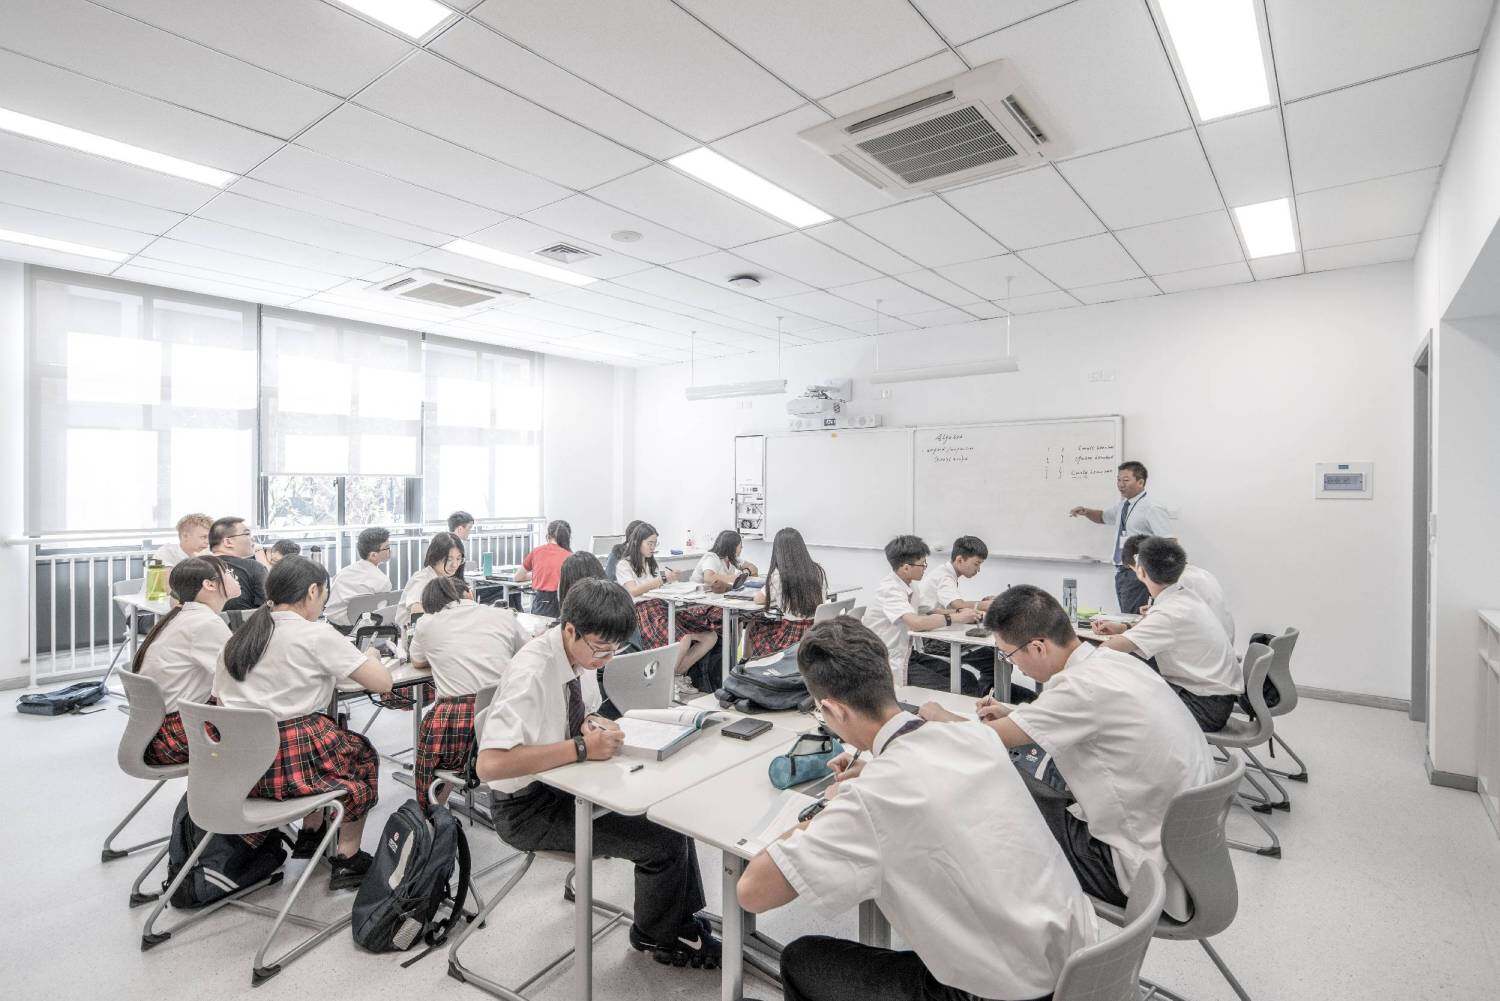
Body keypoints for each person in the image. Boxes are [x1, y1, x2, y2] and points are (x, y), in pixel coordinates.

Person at [737, 617, 1098, 1001]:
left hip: (1006, 993)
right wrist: (873, 772)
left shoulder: (871, 799)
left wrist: (833, 806)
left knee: (802, 958)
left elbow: (752, 892)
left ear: (833, 710)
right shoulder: (971, 736)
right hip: (1080, 965)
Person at [918, 585, 1215, 922]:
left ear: (1037, 647)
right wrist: (1018, 716)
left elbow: (984, 741)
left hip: (1134, 870)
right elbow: (1070, 718)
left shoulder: (1077, 688)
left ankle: (989, 914)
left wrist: (939, 716)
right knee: (1031, 771)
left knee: (997, 779)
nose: (1012, 666)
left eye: (1008, 655)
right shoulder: (1113, 662)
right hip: (1185, 858)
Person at [475, 579, 722, 970]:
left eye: (615, 650)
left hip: (561, 783)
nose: (605, 659)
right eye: (601, 650)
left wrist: (592, 726)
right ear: (569, 628)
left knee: (670, 817)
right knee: (661, 841)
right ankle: (662, 935)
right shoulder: (532, 671)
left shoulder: (578, 656)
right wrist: (581, 748)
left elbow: (578, 714)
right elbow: (489, 764)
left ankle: (677, 921)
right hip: (525, 809)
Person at [213, 556, 393, 887]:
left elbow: (221, 696)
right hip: (287, 768)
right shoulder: (316, 635)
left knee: (327, 747)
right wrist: (369, 656)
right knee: (359, 754)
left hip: (235, 768)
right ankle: (347, 857)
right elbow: (382, 683)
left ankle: (312, 832)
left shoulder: (238, 638)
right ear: (313, 591)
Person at [1093, 537, 1242, 732]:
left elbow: (1108, 649)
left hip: (1202, 708)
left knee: (1115, 703)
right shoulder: (1184, 596)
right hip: (1213, 698)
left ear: (1140, 570)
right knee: (1131, 682)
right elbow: (1160, 629)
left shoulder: (1169, 611)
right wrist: (1125, 630)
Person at [409, 576, 531, 811]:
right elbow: (528, 655)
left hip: (457, 730)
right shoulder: (503, 616)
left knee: (433, 744)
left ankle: (431, 814)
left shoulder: (427, 623)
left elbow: (416, 660)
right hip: (505, 720)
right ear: (468, 594)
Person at [130, 556, 239, 765]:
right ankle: (220, 796)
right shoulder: (204, 623)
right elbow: (239, 676)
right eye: (229, 574)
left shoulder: (184, 615)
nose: (234, 578)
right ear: (209, 584)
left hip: (161, 729)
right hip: (178, 734)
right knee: (268, 726)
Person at [614, 520, 716, 698]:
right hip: (643, 611)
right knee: (683, 639)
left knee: (710, 636)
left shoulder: (650, 563)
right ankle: (664, 682)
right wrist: (662, 579)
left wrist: (672, 582)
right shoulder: (624, 565)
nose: (653, 547)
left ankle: (674, 676)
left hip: (661, 605)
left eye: (655, 543)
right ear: (638, 542)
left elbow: (658, 587)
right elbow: (634, 590)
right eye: (650, 543)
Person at [862, 535, 978, 688]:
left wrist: (963, 615)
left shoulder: (911, 585)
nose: (925, 568)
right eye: (922, 564)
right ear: (906, 567)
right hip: (886, 659)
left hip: (908, 653)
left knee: (967, 678)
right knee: (955, 686)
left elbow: (928, 611)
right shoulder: (890, 590)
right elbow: (916, 623)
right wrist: (955, 618)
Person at [1069, 460, 1172, 613]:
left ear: (1140, 482)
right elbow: (1103, 517)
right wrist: (1086, 512)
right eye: (1118, 480)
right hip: (1122, 571)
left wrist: (1159, 574)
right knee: (1126, 615)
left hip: (1139, 572)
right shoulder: (1123, 505)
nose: (1120, 484)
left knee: (1132, 618)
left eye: (1125, 480)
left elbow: (1169, 541)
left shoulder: (1152, 507)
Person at [916, 535, 998, 693]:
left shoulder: (946, 573)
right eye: (976, 564)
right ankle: (984, 695)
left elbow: (953, 609)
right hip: (934, 640)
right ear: (960, 560)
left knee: (990, 656)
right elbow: (958, 605)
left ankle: (984, 694)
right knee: (991, 659)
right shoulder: (945, 576)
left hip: (939, 630)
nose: (978, 569)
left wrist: (978, 605)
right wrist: (985, 605)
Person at [1120, 534, 1234, 642]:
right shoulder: (1197, 573)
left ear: (1140, 566)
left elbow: (1165, 624)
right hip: (1219, 644)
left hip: (1203, 649)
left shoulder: (1178, 582)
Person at [746, 527, 826, 660]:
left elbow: (758, 599)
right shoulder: (817, 570)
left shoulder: (778, 575)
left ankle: (747, 668)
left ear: (778, 551)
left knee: (754, 626)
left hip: (789, 638)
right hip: (813, 634)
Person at [325, 527, 394, 628]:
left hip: (331, 624)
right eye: (387, 547)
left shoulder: (344, 572)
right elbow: (381, 612)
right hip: (356, 628)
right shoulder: (382, 580)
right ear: (373, 555)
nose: (389, 550)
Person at [396, 532, 464, 628]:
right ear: (436, 556)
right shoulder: (422, 579)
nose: (455, 565)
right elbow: (416, 612)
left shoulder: (445, 578)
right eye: (449, 559)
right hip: (411, 635)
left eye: (458, 559)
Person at [210, 516, 266, 612]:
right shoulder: (253, 567)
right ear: (228, 542)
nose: (252, 539)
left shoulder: (194, 567)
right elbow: (269, 607)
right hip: (246, 626)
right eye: (247, 534)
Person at [518, 519, 572, 616]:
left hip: (542, 603)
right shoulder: (570, 556)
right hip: (565, 603)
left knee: (541, 630)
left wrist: (537, 575)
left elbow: (518, 577)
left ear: (548, 535)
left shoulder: (537, 551)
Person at [691, 530, 758, 592]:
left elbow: (754, 568)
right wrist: (736, 578)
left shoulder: (733, 558)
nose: (741, 548)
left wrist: (746, 572)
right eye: (740, 545)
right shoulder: (711, 557)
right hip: (697, 595)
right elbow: (709, 578)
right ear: (732, 547)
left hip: (716, 594)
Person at [447, 510, 475, 579]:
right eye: (469, 528)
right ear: (460, 529)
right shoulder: (452, 546)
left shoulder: (453, 543)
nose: (470, 532)